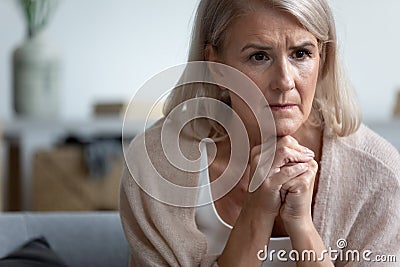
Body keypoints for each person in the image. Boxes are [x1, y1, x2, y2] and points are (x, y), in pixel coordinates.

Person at [119, 0, 400, 266]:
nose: (284, 82)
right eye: (259, 56)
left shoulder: (378, 172)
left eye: (301, 53)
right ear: (215, 65)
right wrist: (257, 212)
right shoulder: (156, 166)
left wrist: (302, 227)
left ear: (323, 57)